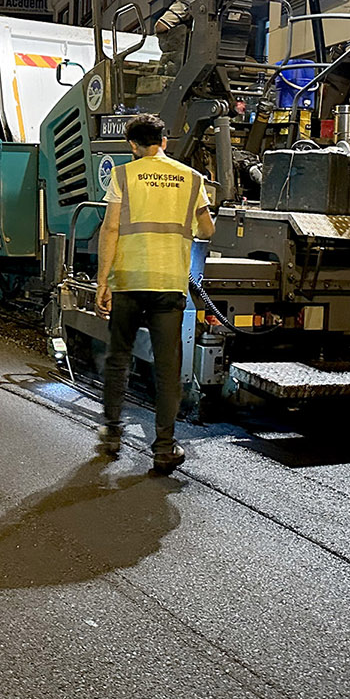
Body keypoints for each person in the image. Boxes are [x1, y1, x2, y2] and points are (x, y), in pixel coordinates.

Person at [95, 113, 216, 475]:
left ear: (132, 145)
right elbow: (207, 230)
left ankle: (112, 435)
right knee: (167, 367)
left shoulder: (123, 176)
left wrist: (103, 280)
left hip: (129, 281)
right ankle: (164, 446)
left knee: (118, 357)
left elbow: (111, 227)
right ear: (164, 141)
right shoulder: (192, 179)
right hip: (169, 284)